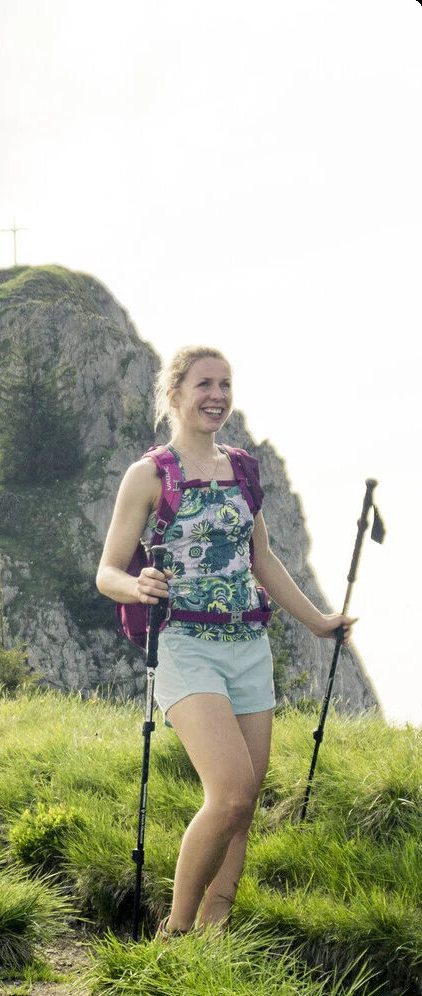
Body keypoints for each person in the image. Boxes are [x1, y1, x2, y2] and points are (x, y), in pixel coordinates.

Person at [96, 346, 353, 933]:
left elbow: (262, 559)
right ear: (175, 395)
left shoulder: (241, 469)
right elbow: (106, 571)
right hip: (185, 644)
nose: (217, 395)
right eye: (204, 384)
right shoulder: (150, 474)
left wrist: (318, 621)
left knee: (245, 803)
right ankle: (176, 934)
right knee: (232, 792)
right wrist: (138, 585)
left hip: (249, 647)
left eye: (226, 385)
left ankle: (216, 932)